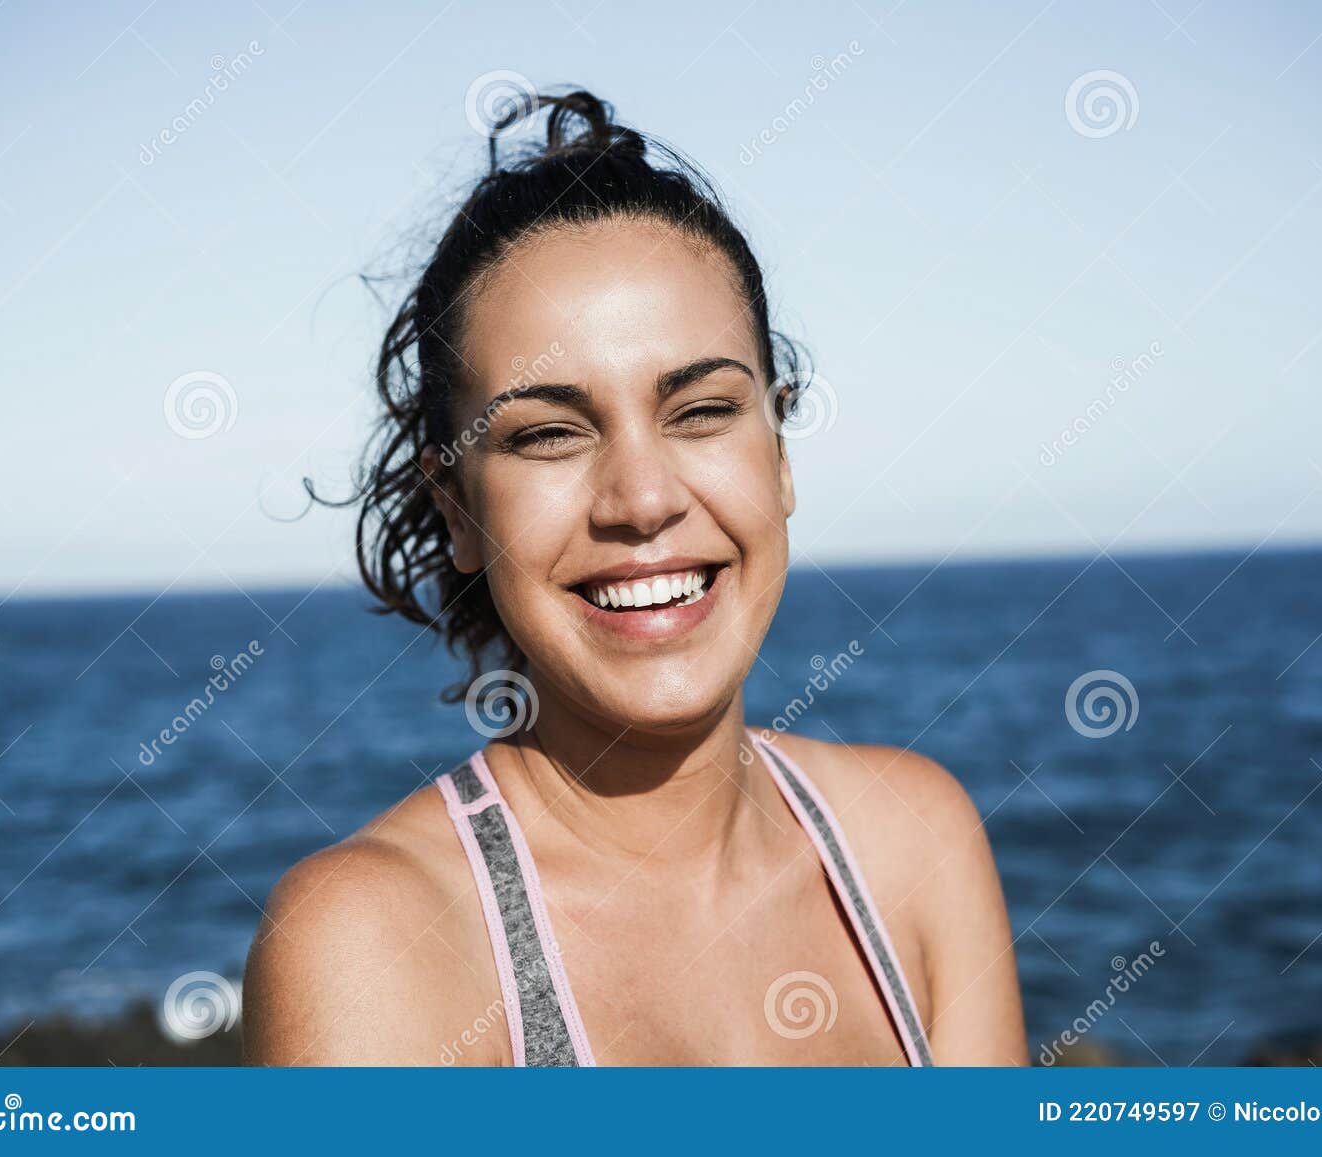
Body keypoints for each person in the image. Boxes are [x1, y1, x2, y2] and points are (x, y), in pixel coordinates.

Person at [244, 90, 1025, 1066]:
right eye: (547, 433)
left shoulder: (917, 841)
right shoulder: (370, 940)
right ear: (457, 510)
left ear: (778, 455)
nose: (642, 498)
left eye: (700, 411)